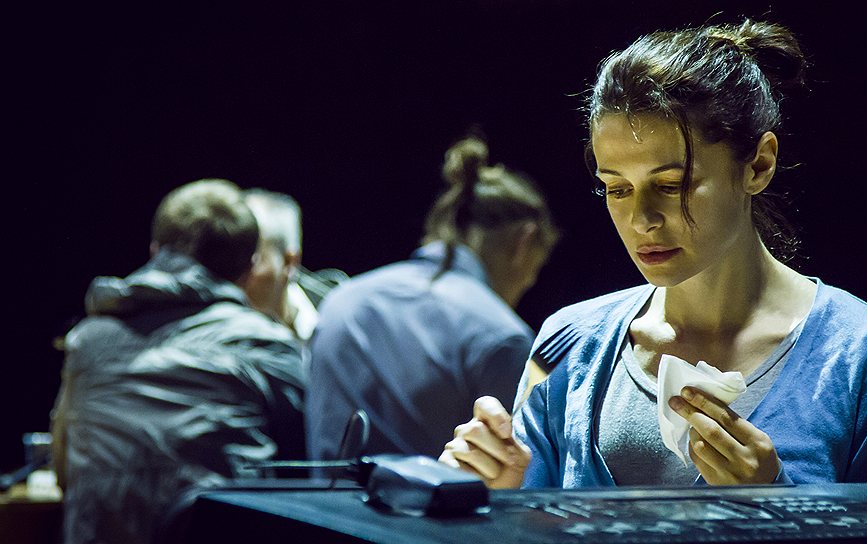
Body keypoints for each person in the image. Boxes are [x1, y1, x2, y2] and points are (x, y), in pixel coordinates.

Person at [439, 19, 867, 489]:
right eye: (617, 189)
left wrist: (775, 504)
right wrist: (494, 496)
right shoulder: (568, 344)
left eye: (671, 184)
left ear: (758, 165)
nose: (642, 220)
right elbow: (526, 524)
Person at [50, 179, 307, 544]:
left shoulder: (87, 342)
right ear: (250, 267)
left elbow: (64, 471)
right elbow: (310, 475)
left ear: (155, 250)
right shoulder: (268, 346)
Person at [306, 135, 560, 460]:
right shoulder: (501, 336)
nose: (530, 282)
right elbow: (525, 472)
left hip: (316, 496)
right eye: (536, 268)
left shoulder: (342, 300)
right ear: (523, 243)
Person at [243, 188, 347, 342]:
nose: (233, 271)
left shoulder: (344, 321)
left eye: (250, 259)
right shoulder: (214, 329)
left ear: (289, 262)